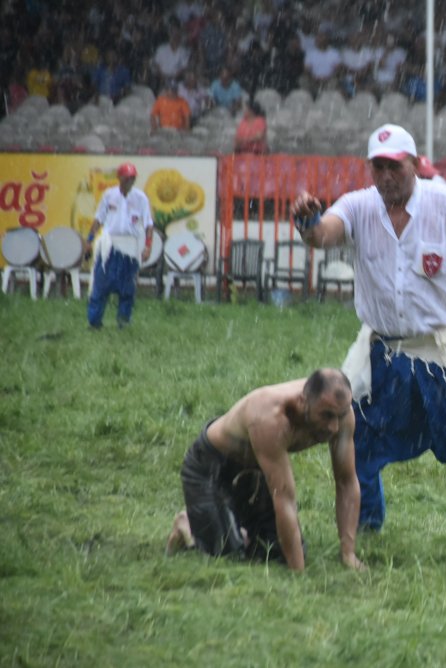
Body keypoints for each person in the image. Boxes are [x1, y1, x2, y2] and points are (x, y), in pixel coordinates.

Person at [289, 123, 446, 550]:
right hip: (383, 353)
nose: (386, 176)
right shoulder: (359, 206)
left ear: (414, 164)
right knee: (354, 436)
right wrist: (308, 221)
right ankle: (367, 527)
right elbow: (323, 235)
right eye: (378, 167)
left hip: (443, 352)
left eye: (395, 167)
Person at [165, 369, 365, 573]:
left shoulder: (342, 414)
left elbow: (346, 482)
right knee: (228, 555)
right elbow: (284, 497)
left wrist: (348, 554)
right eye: (326, 416)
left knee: (273, 552)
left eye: (339, 416)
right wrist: (299, 573)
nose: (333, 427)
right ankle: (188, 525)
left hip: (254, 469)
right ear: (303, 401)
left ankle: (234, 524)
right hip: (210, 466)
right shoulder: (270, 417)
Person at [83, 162, 154, 329]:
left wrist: (148, 246)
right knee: (101, 285)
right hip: (109, 245)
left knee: (127, 288)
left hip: (130, 247)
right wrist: (90, 240)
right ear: (119, 178)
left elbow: (148, 224)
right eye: (127, 177)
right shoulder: (109, 195)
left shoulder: (140, 198)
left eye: (133, 178)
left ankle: (123, 322)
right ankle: (94, 322)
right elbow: (98, 220)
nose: (130, 181)